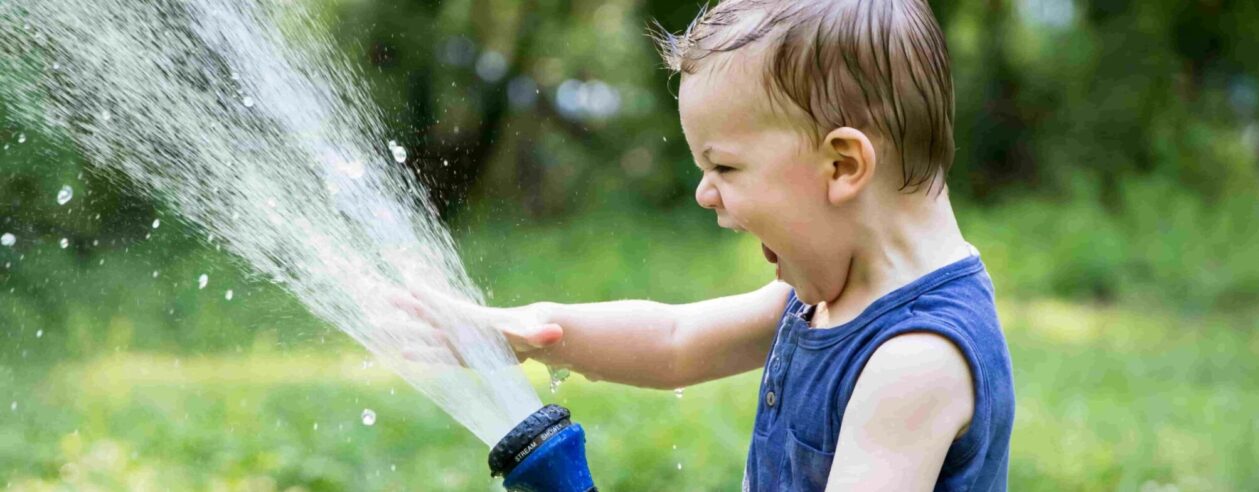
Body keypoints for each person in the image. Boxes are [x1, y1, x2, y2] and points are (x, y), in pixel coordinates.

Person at [403, 0, 1013, 489]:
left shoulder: (916, 359)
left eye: (724, 167)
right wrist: (531, 331)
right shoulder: (830, 298)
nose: (705, 193)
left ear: (842, 165)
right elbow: (675, 341)